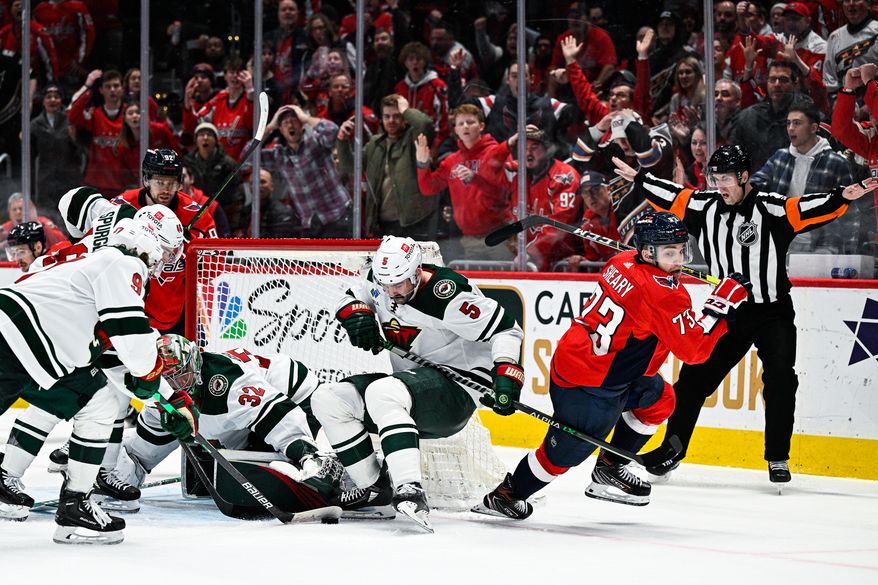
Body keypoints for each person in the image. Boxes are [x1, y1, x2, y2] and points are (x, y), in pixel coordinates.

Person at [612, 144, 878, 485]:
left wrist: (845, 194)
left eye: (726, 179)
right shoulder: (704, 207)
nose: (719, 185)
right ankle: (672, 449)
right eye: (715, 178)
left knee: (781, 380)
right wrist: (640, 178)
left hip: (772, 313)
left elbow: (813, 206)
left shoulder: (772, 208)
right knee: (692, 381)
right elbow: (674, 195)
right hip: (727, 313)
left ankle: (777, 457)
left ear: (744, 177)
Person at [477, 212, 750, 518]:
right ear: (648, 252)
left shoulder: (621, 262)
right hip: (589, 382)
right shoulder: (662, 294)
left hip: (603, 365)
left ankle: (610, 466)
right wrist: (719, 308)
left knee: (660, 400)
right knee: (564, 453)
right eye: (670, 252)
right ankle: (507, 495)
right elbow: (694, 351)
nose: (679, 259)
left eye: (681, 250)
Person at [0, 218, 197, 544]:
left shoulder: (100, 263)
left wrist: (168, 398)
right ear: (150, 243)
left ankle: (75, 506)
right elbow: (134, 344)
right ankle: (69, 500)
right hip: (21, 338)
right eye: (166, 252)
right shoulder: (123, 263)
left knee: (98, 401)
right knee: (98, 401)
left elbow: (114, 359)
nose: (166, 263)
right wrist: (153, 380)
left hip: (33, 343)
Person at [311, 236, 524, 529]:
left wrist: (507, 371)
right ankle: (374, 488)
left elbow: (506, 328)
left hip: (459, 389)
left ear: (415, 272)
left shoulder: (447, 295)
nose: (391, 292)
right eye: (386, 285)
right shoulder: (382, 280)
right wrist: (356, 314)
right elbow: (350, 294)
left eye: (399, 285)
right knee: (329, 398)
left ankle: (410, 490)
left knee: (382, 391)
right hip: (412, 388)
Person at [107, 335, 343, 512]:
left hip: (296, 398)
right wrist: (108, 471)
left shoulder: (227, 382)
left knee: (258, 472)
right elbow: (141, 454)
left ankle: (331, 466)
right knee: (216, 472)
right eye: (165, 379)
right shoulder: (158, 399)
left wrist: (306, 455)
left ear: (195, 367)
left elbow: (277, 414)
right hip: (245, 418)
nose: (174, 386)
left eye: (180, 375)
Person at [113, 148, 218, 332]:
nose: (166, 190)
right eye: (159, 182)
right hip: (126, 311)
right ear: (146, 180)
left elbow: (214, 267)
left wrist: (190, 249)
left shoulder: (196, 216)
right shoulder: (121, 207)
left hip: (173, 317)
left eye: (172, 183)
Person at [751, 98, 855, 253]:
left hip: (823, 247)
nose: (791, 128)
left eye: (797, 123)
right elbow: (757, 183)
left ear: (813, 128)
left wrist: (847, 252)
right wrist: (737, 186)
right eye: (788, 123)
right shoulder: (780, 157)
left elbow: (849, 213)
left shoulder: (836, 163)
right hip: (781, 243)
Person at [415, 103, 511, 261]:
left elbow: (505, 194)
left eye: (470, 122)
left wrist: (475, 179)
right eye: (460, 124)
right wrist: (422, 164)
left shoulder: (495, 153)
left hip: (500, 236)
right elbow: (429, 188)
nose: (465, 126)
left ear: (481, 126)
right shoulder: (452, 161)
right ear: (456, 130)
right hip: (470, 239)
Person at [336, 94, 437, 239]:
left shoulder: (413, 140)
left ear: (404, 118)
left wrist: (406, 110)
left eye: (397, 116)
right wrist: (342, 139)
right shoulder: (375, 144)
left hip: (413, 223)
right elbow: (349, 166)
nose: (391, 121)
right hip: (382, 225)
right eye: (387, 116)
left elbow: (425, 124)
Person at [490, 127, 582, 271]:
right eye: (523, 148)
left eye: (534, 147)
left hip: (562, 262)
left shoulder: (564, 177)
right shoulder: (519, 173)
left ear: (547, 150)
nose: (528, 153)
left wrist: (530, 252)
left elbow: (559, 224)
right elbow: (487, 166)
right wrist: (509, 143)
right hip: (528, 260)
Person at [257, 104, 352, 238]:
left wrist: (305, 117)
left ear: (301, 125)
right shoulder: (279, 155)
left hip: (339, 216)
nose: (290, 125)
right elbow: (247, 157)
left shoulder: (316, 141)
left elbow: (333, 131)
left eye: (294, 120)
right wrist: (269, 128)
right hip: (311, 225)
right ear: (281, 130)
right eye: (285, 122)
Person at [67, 68, 126, 195]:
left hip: (122, 185)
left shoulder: (131, 114)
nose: (112, 90)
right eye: (108, 86)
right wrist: (88, 88)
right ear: (101, 90)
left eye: (116, 86)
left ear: (122, 89)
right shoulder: (94, 114)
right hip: (95, 184)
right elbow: (72, 115)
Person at [565, 171, 621, 269]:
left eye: (595, 190)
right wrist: (583, 261)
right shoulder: (587, 224)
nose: (591, 197)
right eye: (585, 193)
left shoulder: (622, 209)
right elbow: (594, 260)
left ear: (608, 189)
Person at [823, 0, 878, 94]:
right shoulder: (835, 37)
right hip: (845, 99)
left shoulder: (876, 31)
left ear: (868, 4)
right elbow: (829, 79)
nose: (851, 3)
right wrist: (837, 100)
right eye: (847, 0)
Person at [0, 192, 68, 253]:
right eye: (14, 209)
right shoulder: (5, 228)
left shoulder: (42, 222)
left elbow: (63, 242)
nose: (18, 212)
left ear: (30, 210)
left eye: (21, 208)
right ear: (9, 213)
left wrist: (38, 225)